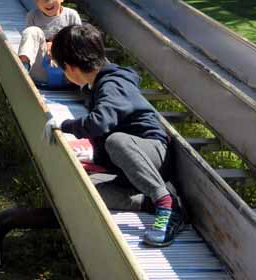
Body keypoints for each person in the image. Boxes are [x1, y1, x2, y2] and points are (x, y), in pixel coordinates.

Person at [44, 23, 184, 247]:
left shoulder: (113, 84)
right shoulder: (98, 85)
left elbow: (100, 123)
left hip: (151, 152)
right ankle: (150, 200)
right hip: (131, 167)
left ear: (71, 68)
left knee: (116, 141)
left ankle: (166, 205)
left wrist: (65, 125)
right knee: (84, 190)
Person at [18, 0, 82, 89]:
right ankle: (23, 70)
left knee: (76, 39)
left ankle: (84, 84)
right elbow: (31, 44)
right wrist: (47, 45)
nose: (49, 3)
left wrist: (56, 47)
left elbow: (79, 45)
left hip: (67, 74)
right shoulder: (33, 16)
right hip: (41, 73)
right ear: (35, 0)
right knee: (31, 31)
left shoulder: (71, 15)